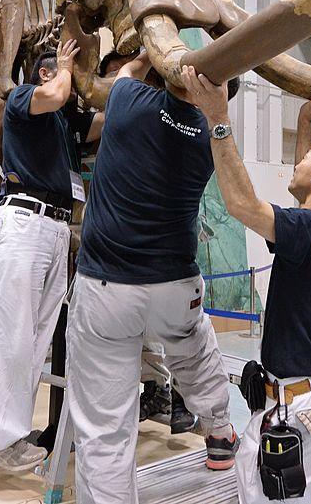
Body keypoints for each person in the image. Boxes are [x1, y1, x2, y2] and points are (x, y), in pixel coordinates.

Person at [66, 51, 239, 504]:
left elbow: (125, 73)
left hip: (108, 289)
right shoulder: (209, 136)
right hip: (176, 289)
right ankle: (220, 432)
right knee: (195, 349)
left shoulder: (131, 102)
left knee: (104, 427)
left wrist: (148, 51)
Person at [183, 74, 311, 504]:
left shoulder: (308, 228)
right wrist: (304, 123)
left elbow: (241, 205)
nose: (294, 167)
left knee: (258, 485)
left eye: (304, 162)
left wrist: (219, 118)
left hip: (303, 408)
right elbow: (308, 195)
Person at [0, 40, 103, 471]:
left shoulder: (62, 125)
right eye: (65, 71)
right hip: (25, 221)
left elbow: (104, 118)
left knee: (35, 339)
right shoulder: (23, 98)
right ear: (47, 72)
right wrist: (66, 68)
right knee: (13, 333)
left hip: (56, 227)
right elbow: (59, 94)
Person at [98, 50, 197, 435]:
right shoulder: (126, 109)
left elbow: (123, 79)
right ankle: (157, 390)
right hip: (119, 252)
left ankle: (181, 400)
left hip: (163, 248)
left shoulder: (135, 106)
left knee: (177, 327)